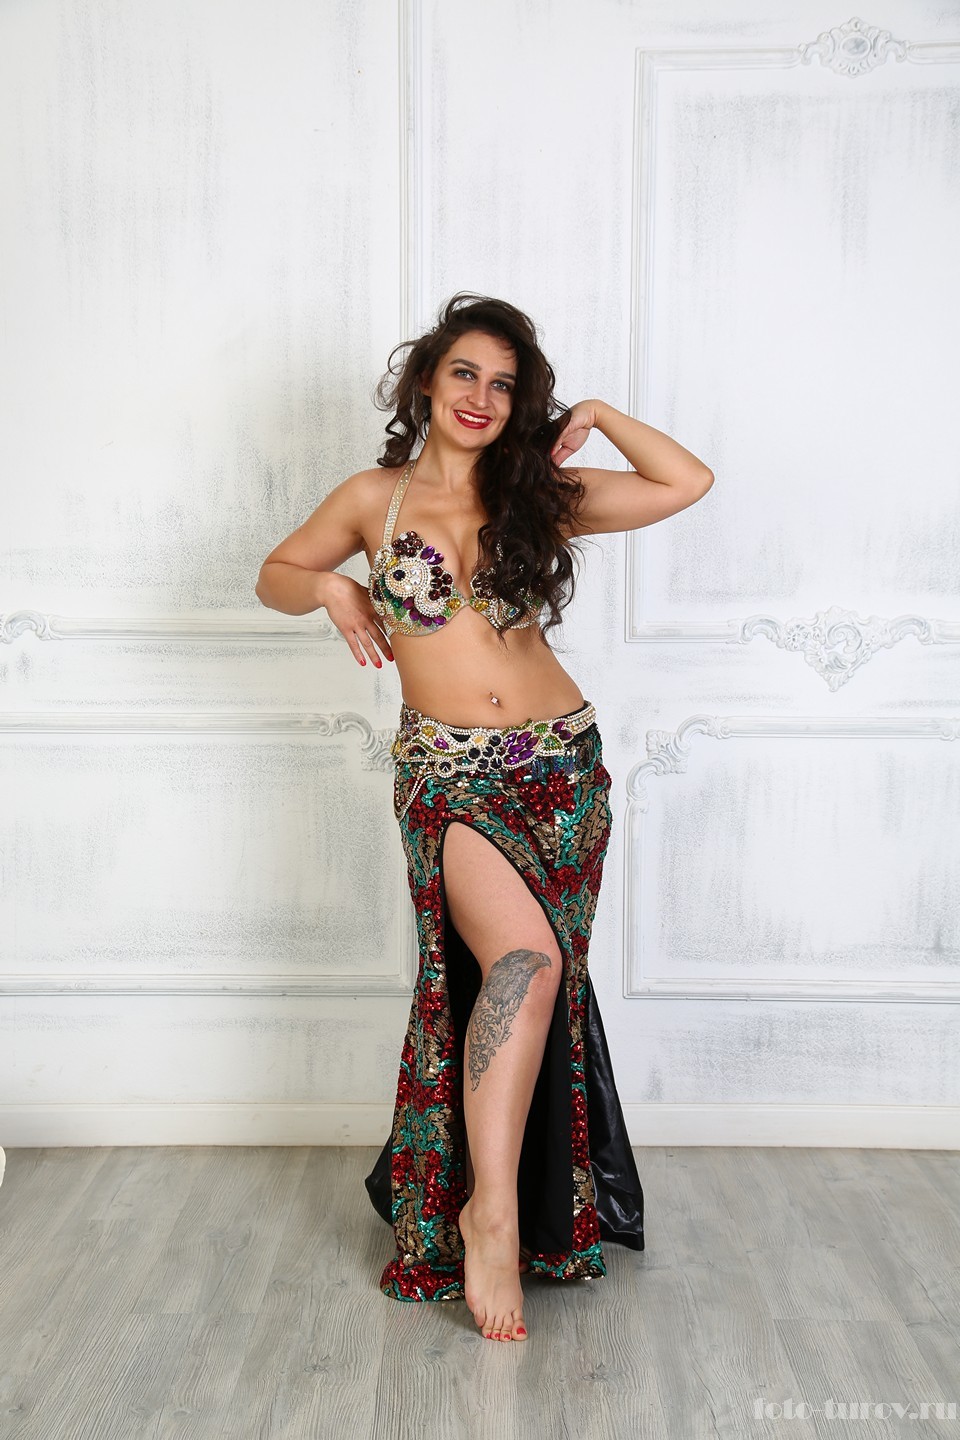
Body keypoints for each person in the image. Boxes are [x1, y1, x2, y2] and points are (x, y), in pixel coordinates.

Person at [255, 292, 714, 1344]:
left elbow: (684, 482)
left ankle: (506, 1202)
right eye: (465, 372)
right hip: (448, 776)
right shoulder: (372, 498)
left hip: (563, 770)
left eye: (505, 384)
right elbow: (275, 574)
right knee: (520, 965)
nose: (482, 397)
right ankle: (491, 1215)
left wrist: (595, 413)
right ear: (426, 379)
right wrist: (330, 591)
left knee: (541, 979)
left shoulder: (538, 493)